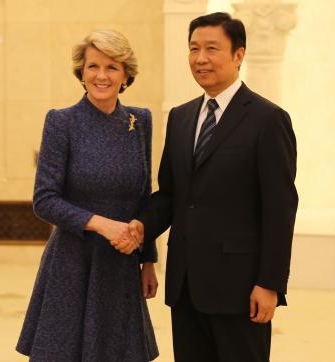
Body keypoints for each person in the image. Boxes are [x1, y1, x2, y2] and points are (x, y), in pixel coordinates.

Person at [128, 12, 298, 362]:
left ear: (238, 55)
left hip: (241, 288)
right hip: (186, 284)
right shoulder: (180, 117)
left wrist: (269, 284)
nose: (200, 58)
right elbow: (172, 195)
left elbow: (280, 209)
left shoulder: (268, 120)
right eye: (193, 48)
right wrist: (141, 228)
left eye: (211, 48)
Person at [16, 29, 159, 362]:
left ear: (126, 74)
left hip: (121, 265)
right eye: (93, 66)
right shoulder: (61, 122)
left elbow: (144, 196)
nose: (101, 76)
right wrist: (102, 225)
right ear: (81, 72)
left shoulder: (141, 121)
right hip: (72, 264)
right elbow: (44, 199)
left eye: (112, 67)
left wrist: (148, 260)